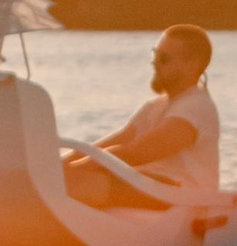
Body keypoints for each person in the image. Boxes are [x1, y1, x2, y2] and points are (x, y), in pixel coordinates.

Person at [78, 24, 220, 200]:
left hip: (183, 199)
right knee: (65, 180)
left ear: (192, 65)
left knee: (75, 182)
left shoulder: (196, 106)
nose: (155, 63)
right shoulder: (153, 107)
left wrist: (74, 169)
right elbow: (109, 144)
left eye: (164, 58)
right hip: (152, 189)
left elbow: (139, 152)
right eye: (155, 54)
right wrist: (56, 165)